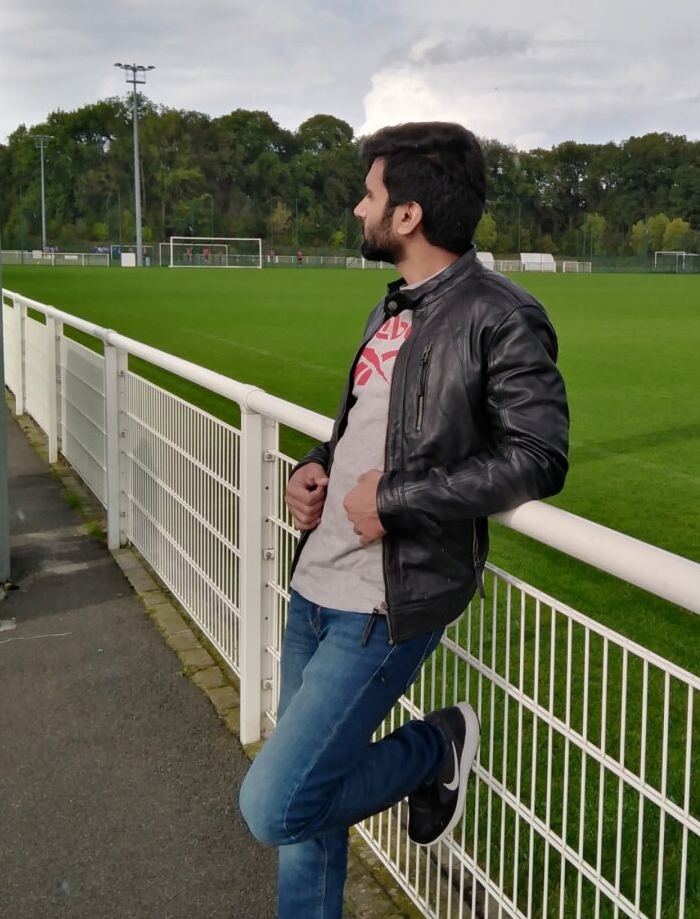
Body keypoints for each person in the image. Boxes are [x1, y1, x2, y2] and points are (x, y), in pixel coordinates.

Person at [238, 121, 569, 918]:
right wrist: (315, 466)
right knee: (307, 819)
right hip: (316, 583)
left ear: (409, 215)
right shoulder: (390, 308)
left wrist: (393, 501)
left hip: (384, 605)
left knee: (277, 805)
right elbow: (363, 431)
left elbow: (537, 457)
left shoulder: (501, 315)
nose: (360, 209)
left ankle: (433, 747)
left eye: (370, 195)